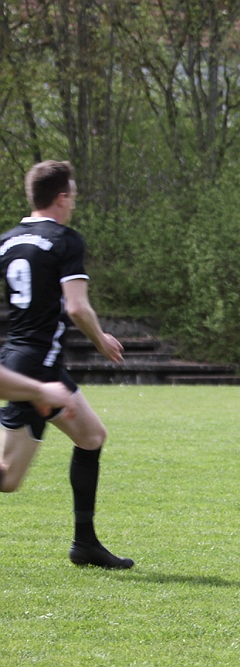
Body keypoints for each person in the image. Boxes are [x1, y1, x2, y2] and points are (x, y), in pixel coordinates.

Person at [0, 160, 133, 569]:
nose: (74, 203)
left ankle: (85, 544)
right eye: (72, 196)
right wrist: (101, 339)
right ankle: (85, 543)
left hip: (30, 358)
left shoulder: (7, 241)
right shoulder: (64, 240)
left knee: (91, 436)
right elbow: (77, 307)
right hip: (36, 366)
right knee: (7, 478)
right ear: (61, 198)